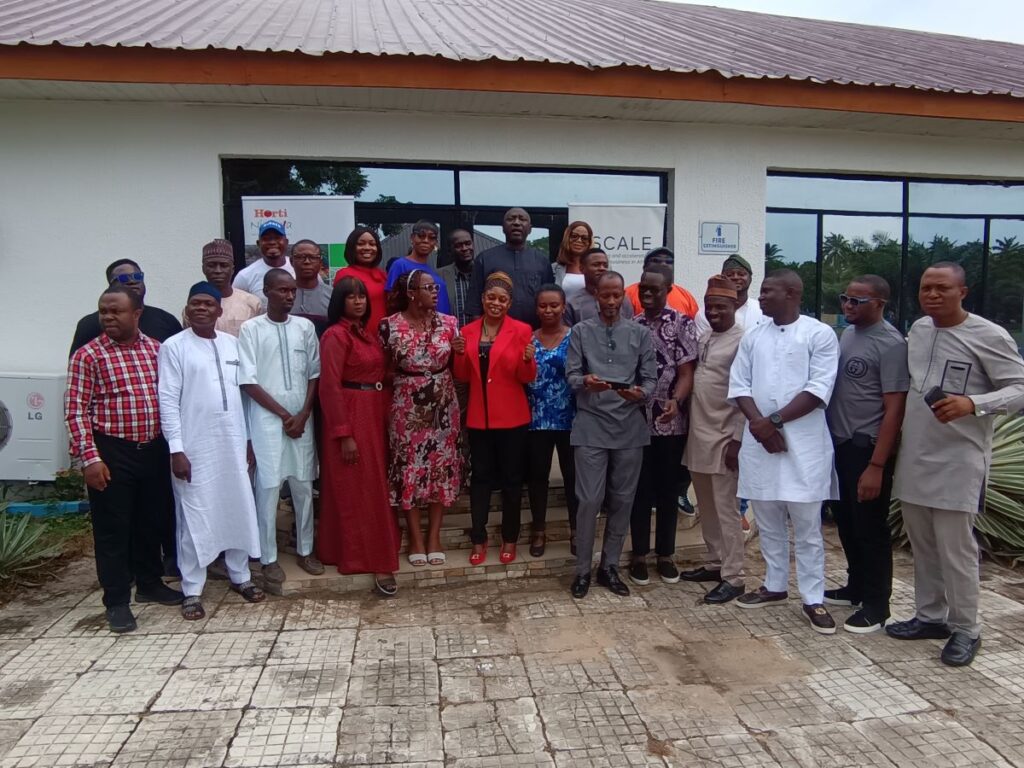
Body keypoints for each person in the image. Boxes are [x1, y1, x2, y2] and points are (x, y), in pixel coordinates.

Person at [888, 262, 1024, 667]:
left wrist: (974, 404)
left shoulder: (987, 335)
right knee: (923, 544)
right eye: (925, 287)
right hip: (915, 455)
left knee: (956, 549)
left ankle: (966, 628)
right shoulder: (920, 330)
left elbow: (1020, 388)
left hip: (958, 460)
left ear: (962, 292)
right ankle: (931, 617)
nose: (931, 294)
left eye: (942, 288)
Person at [65, 285, 183, 633]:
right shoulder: (88, 356)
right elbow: (75, 412)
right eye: (104, 311)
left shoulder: (158, 351)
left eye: (116, 311)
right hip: (112, 452)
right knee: (113, 530)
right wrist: (89, 459)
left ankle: (149, 584)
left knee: (152, 521)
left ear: (137, 314)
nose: (108, 317)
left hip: (153, 450)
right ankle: (116, 601)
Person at [728, 269, 840, 634]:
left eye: (767, 291)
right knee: (768, 518)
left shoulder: (819, 334)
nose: (760, 297)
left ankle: (813, 597)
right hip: (760, 444)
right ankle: (775, 585)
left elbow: (819, 388)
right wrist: (760, 426)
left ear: (791, 293)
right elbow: (739, 383)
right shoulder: (754, 337)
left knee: (807, 527)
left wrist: (771, 421)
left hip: (803, 445)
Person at [158, 282, 265, 620]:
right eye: (195, 303)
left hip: (232, 442)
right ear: (187, 310)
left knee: (237, 507)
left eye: (208, 304)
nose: (201, 308)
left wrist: (248, 440)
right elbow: (168, 401)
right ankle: (192, 588)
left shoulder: (234, 345)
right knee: (193, 515)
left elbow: (244, 398)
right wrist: (176, 448)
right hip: (194, 446)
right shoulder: (174, 347)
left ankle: (240, 576)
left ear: (220, 311)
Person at [825, 275, 909, 634]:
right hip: (840, 446)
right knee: (846, 521)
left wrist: (877, 464)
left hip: (867, 450)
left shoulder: (891, 345)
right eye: (845, 298)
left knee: (870, 528)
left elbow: (894, 409)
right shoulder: (848, 334)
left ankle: (877, 603)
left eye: (857, 301)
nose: (848, 306)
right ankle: (856, 585)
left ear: (880, 303)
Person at [566, 271, 657, 599]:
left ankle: (610, 567)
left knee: (622, 500)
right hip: (590, 425)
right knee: (589, 500)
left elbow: (650, 380)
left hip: (629, 427)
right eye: (605, 295)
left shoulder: (640, 334)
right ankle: (582, 571)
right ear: (596, 297)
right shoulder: (580, 331)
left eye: (616, 295)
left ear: (624, 297)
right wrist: (585, 381)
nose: (611, 301)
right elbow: (572, 375)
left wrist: (641, 394)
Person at [238, 269, 323, 588]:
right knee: (268, 487)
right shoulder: (251, 329)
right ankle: (267, 558)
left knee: (303, 485)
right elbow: (247, 380)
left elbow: (315, 373)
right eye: (282, 290)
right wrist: (285, 414)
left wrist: (302, 414)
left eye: (292, 291)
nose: (289, 296)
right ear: (266, 291)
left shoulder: (305, 327)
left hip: (302, 421)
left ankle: (305, 550)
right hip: (267, 421)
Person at [318, 277, 400, 597]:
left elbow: (381, 375)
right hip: (351, 417)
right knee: (358, 489)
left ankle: (370, 548)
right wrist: (343, 433)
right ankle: (370, 558)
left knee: (373, 485)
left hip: (374, 414)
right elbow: (329, 387)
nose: (358, 302)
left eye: (362, 297)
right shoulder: (335, 336)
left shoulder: (368, 335)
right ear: (340, 301)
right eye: (350, 297)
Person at [453, 271, 537, 565]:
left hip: (512, 419)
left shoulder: (522, 330)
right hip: (479, 419)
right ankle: (479, 536)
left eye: (502, 299)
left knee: (513, 482)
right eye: (491, 298)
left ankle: (509, 538)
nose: (496, 303)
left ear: (510, 303)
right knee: (481, 480)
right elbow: (462, 376)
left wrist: (528, 360)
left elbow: (526, 378)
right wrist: (460, 354)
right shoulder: (467, 332)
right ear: (482, 299)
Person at [380, 269, 462, 565]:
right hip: (406, 405)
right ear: (412, 292)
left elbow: (460, 365)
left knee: (440, 466)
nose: (435, 292)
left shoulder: (450, 324)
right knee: (408, 467)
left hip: (443, 403)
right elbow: (383, 369)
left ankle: (434, 536)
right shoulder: (388, 326)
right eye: (429, 287)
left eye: (436, 287)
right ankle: (415, 537)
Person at [681, 276, 748, 604]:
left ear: (735, 305)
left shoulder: (743, 341)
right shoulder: (705, 336)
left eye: (721, 306)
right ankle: (714, 562)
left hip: (724, 437)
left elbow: (746, 395)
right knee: (706, 506)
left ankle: (734, 576)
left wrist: (737, 440)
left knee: (726, 509)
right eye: (709, 306)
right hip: (698, 434)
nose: (714, 311)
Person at [628, 268, 698, 586]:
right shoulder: (633, 326)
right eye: (644, 288)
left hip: (670, 423)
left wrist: (677, 401)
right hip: (636, 423)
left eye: (655, 290)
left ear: (668, 289)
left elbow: (686, 372)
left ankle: (666, 555)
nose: (648, 294)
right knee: (639, 491)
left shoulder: (681, 323)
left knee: (669, 491)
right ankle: (639, 555)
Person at [526, 285, 578, 557]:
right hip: (536, 420)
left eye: (554, 305)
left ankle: (576, 530)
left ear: (563, 306)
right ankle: (538, 530)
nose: (548, 310)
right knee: (537, 478)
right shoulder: (528, 339)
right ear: (537, 308)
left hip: (569, 418)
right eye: (543, 306)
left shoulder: (575, 337)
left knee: (572, 477)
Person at [70, 259, 183, 354]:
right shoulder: (90, 324)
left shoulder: (166, 320)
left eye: (137, 276)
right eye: (124, 278)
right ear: (110, 285)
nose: (132, 281)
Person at [467, 207, 554, 326]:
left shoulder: (542, 261)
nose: (516, 223)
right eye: (511, 219)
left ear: (530, 229)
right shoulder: (485, 258)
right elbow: (475, 303)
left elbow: (548, 300)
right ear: (502, 227)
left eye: (522, 219)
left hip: (533, 334)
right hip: (494, 335)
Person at [188, 239, 261, 336]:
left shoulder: (251, 303)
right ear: (203, 269)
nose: (218, 271)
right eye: (212, 265)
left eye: (224, 265)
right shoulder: (196, 306)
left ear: (232, 269)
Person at [385, 220, 452, 314]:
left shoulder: (433, 273)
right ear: (412, 238)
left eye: (431, 238)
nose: (425, 240)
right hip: (412, 326)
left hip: (441, 325)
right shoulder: (400, 265)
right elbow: (391, 301)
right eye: (421, 236)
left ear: (435, 243)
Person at [693, 255, 766, 336]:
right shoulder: (705, 314)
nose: (735, 277)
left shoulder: (762, 310)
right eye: (729, 274)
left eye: (741, 274)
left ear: (750, 278)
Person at [333, 227, 388, 332]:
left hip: (384, 336)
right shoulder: (344, 275)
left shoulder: (383, 275)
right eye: (361, 243)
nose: (367, 248)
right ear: (352, 247)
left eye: (372, 244)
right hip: (359, 336)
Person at [232, 220, 295, 308]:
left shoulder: (298, 268)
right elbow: (236, 308)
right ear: (258, 244)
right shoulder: (245, 276)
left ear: (286, 242)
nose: (272, 242)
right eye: (266, 239)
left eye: (277, 238)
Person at [564, 248, 634, 326]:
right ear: (582, 268)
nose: (602, 268)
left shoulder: (623, 300)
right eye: (596, 265)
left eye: (605, 265)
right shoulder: (572, 303)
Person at [624, 248, 699, 319]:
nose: (663, 264)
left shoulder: (685, 296)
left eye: (669, 262)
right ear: (644, 267)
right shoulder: (628, 294)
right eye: (656, 260)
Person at [289, 239, 333, 327]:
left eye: (313, 257)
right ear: (291, 261)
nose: (307, 262)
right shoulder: (282, 295)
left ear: (320, 263)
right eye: (301, 257)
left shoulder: (333, 295)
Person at [439, 228, 476, 329]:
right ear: (450, 250)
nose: (464, 248)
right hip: (450, 339)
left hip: (479, 339)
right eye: (458, 246)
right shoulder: (439, 276)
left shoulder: (485, 272)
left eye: (468, 243)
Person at [552, 221, 591, 303]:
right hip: (564, 315)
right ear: (567, 238)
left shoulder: (599, 267)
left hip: (590, 314)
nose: (579, 240)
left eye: (584, 238)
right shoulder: (554, 268)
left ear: (589, 242)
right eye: (574, 236)